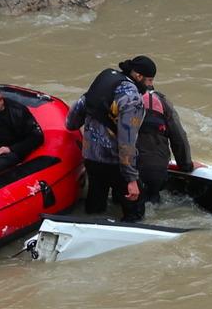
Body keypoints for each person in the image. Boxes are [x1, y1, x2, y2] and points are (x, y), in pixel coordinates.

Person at [65, 56, 155, 222]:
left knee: (94, 207)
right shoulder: (132, 98)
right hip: (115, 163)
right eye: (149, 80)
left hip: (91, 158)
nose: (151, 85)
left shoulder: (104, 81)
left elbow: (72, 119)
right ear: (139, 76)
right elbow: (126, 141)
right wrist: (131, 179)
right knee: (135, 210)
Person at [138, 80, 194, 203]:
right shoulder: (163, 103)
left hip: (128, 167)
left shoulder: (124, 99)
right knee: (152, 201)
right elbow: (179, 137)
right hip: (156, 168)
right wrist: (186, 166)